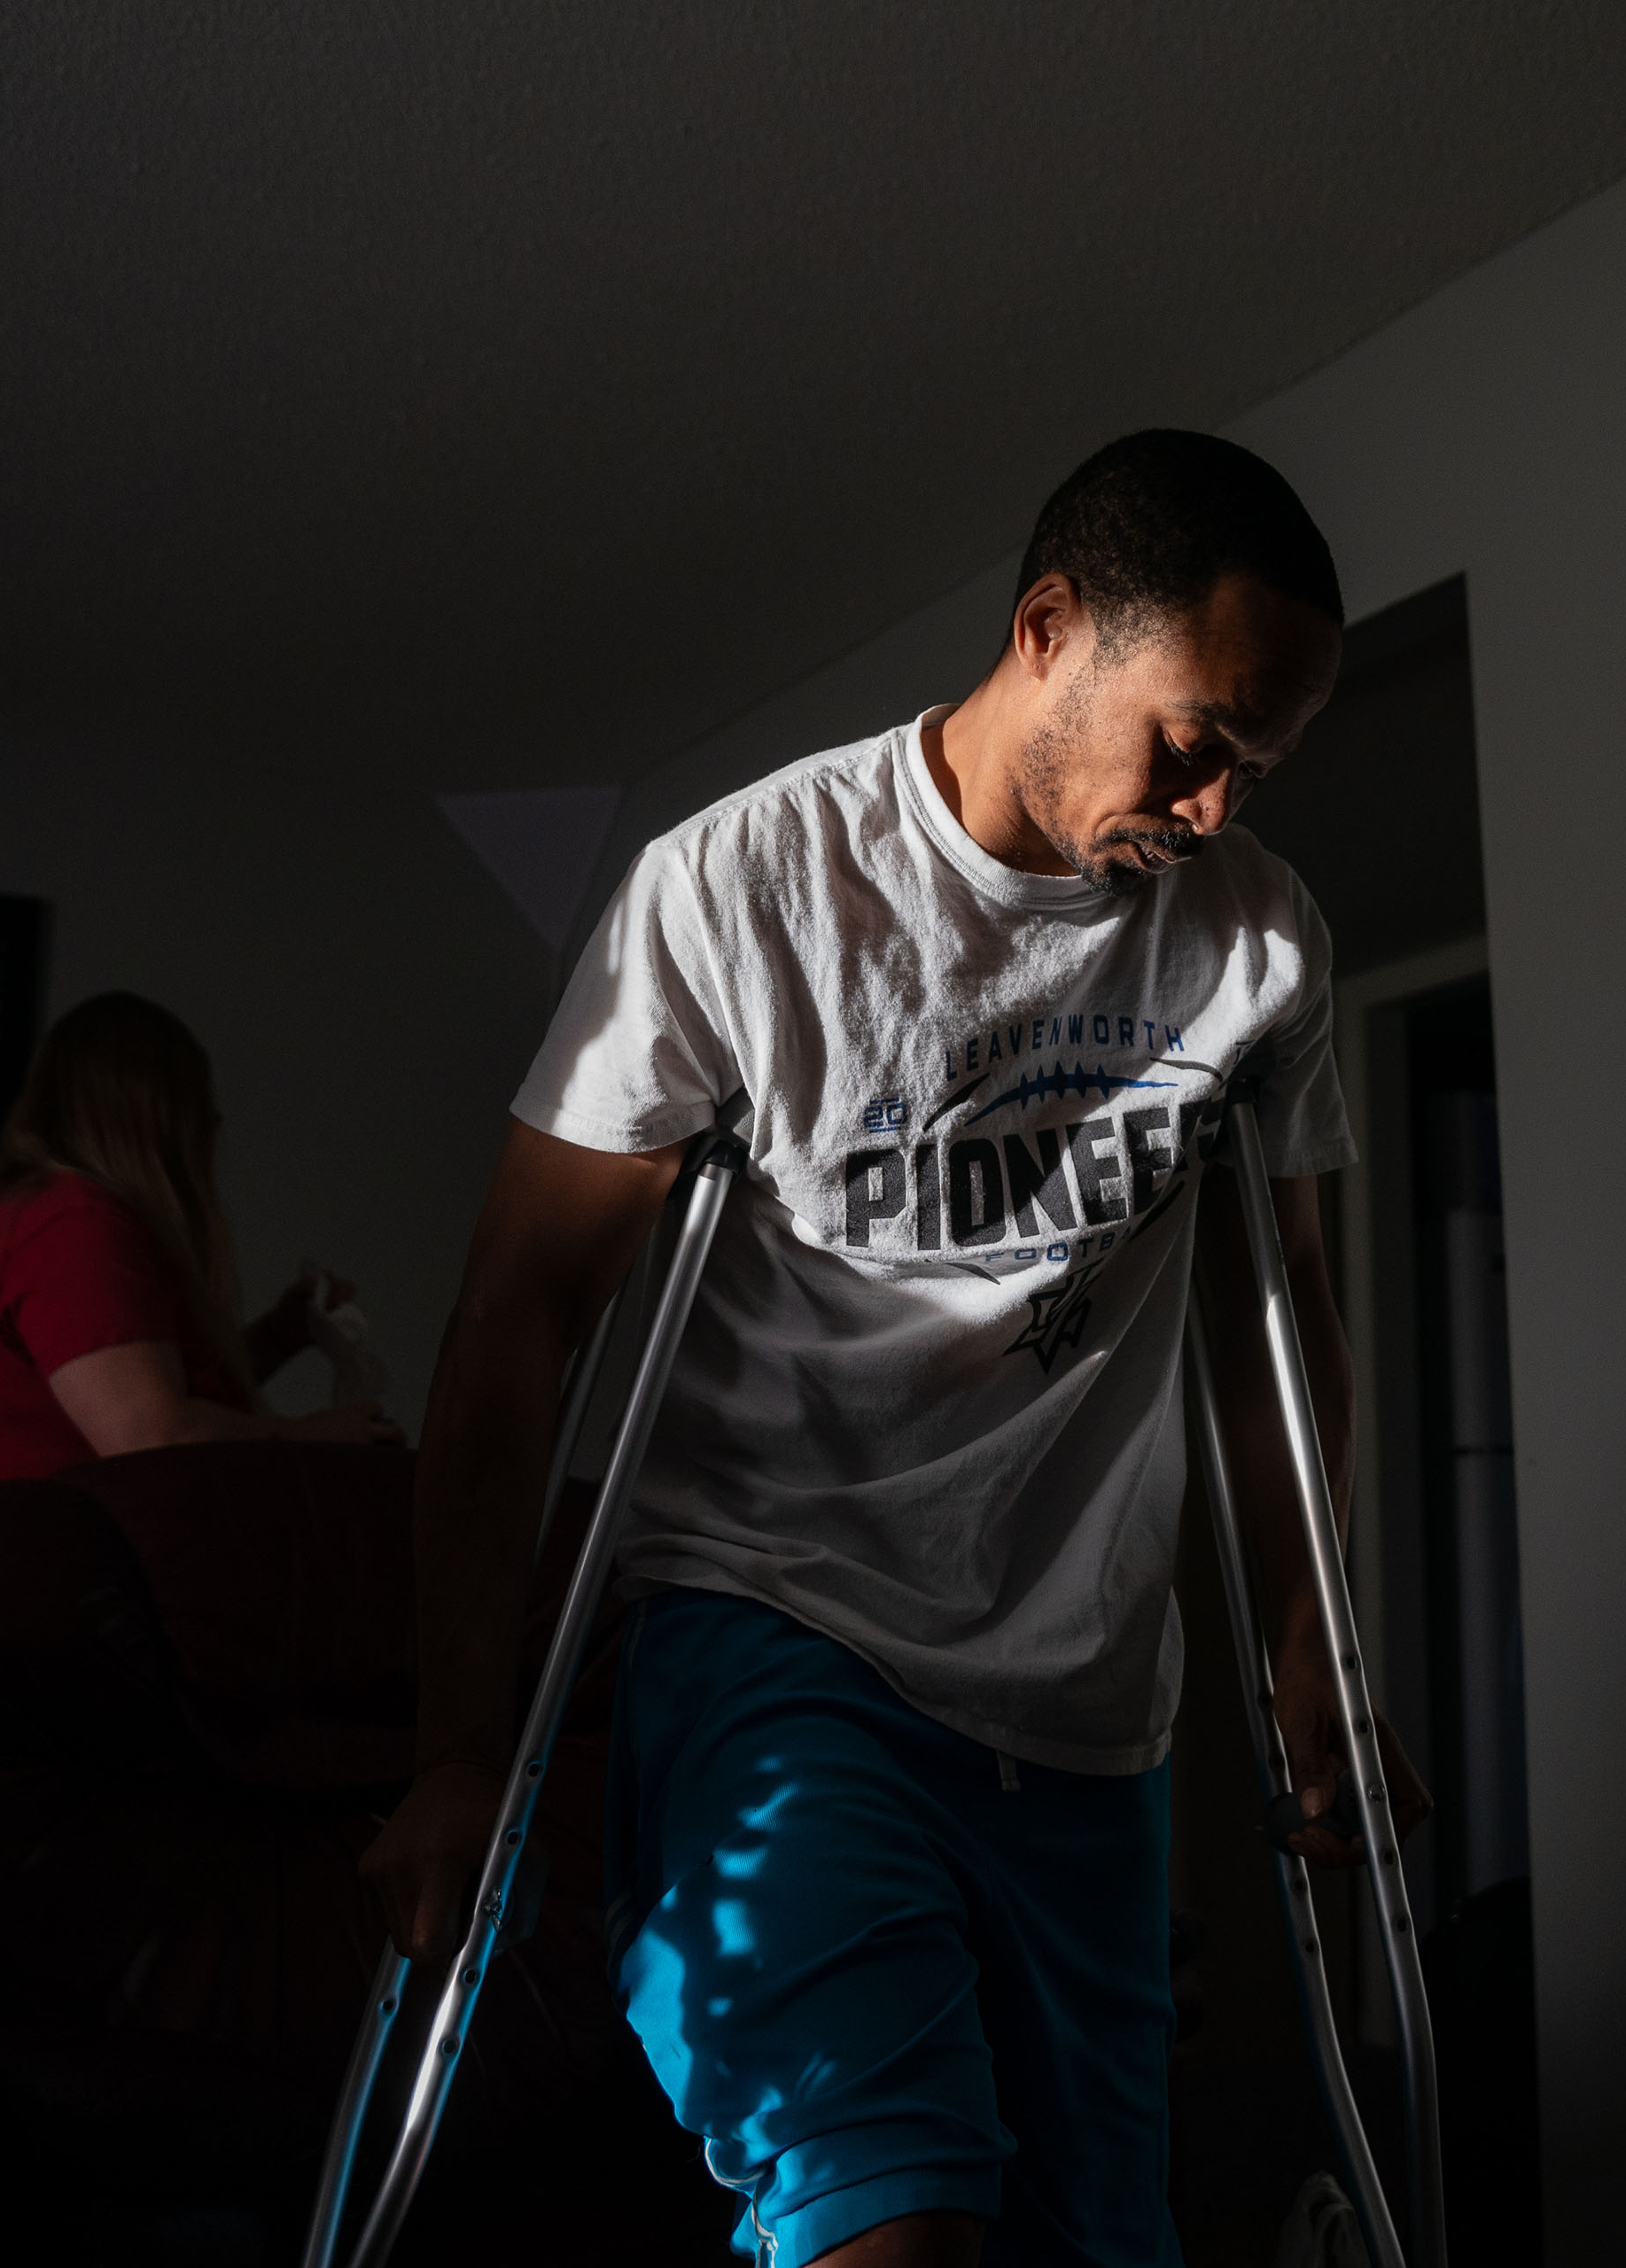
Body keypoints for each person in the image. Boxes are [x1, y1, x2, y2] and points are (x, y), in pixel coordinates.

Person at [366, 431, 1428, 2267]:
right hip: (779, 1633)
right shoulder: (743, 890)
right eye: (1193, 741)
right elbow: (520, 1313)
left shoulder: (1258, 942)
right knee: (884, 2209)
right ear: (1048, 629)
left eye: (1256, 769)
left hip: (1089, 1701)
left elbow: (1280, 1322)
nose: (1212, 811)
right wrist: (458, 1743)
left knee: (1093, 2239)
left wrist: (1313, 1669)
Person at [0, 990, 401, 1489]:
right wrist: (309, 1437)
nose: (212, 1131)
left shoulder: (54, 1217)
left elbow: (159, 1393)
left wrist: (280, 1335)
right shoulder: (69, 1224)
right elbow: (152, 1438)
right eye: (200, 1113)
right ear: (164, 1118)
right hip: (62, 1539)